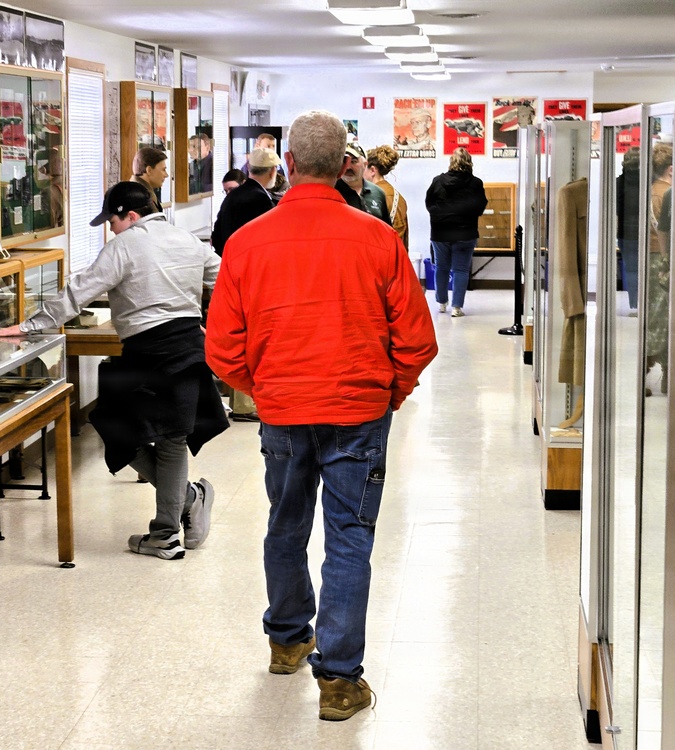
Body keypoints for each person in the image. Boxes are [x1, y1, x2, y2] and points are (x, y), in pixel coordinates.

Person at [205, 109, 437, 722]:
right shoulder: (377, 238)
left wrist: (264, 389)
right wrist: (391, 393)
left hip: (282, 411)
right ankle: (338, 681)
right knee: (349, 540)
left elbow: (222, 348)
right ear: (343, 167)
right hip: (357, 411)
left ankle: (286, 641)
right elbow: (416, 339)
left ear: (286, 165)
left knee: (285, 523)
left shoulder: (247, 242)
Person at [0, 181, 227, 560]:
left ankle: (166, 533)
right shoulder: (189, 242)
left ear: (130, 216)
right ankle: (187, 498)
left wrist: (29, 326)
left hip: (149, 353)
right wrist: (214, 326)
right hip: (187, 351)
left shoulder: (124, 245)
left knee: (121, 428)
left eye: (112, 221)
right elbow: (226, 284)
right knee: (167, 437)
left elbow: (78, 291)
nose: (111, 228)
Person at [210, 147, 282, 423]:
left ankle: (243, 401)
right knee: (253, 336)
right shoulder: (258, 200)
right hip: (252, 277)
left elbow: (218, 234)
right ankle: (244, 403)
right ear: (274, 171)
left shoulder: (236, 195)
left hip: (231, 272)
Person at [425, 146, 489, 317]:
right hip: (465, 233)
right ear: (469, 162)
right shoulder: (475, 183)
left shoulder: (438, 181)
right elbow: (480, 206)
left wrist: (441, 215)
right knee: (461, 270)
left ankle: (441, 303)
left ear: (451, 162)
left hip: (440, 232)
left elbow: (429, 204)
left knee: (441, 267)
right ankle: (457, 308)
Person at [211, 148, 279, 257]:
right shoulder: (261, 199)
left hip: (227, 262)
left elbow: (216, 237)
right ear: (272, 171)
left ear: (248, 168)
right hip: (247, 266)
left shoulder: (232, 195)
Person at [646, 142, 672, 395]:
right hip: (660, 258)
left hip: (653, 256)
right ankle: (653, 370)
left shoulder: (652, 190)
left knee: (659, 317)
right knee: (659, 318)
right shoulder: (665, 193)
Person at [335, 141, 390, 224]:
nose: (348, 167)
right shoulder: (332, 191)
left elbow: (387, 230)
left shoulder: (377, 193)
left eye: (353, 161)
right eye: (344, 161)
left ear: (365, 164)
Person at [365, 145, 409, 246]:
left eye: (364, 168)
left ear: (372, 170)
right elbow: (405, 238)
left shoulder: (370, 197)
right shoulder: (399, 198)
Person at [615, 146, 641, 315]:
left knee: (630, 269)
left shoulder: (619, 182)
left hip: (624, 233)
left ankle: (633, 302)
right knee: (644, 269)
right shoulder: (647, 183)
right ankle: (643, 303)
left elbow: (617, 209)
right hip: (643, 232)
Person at [130, 146, 168, 213]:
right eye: (163, 170)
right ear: (149, 170)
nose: (166, 175)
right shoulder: (140, 198)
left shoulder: (141, 192)